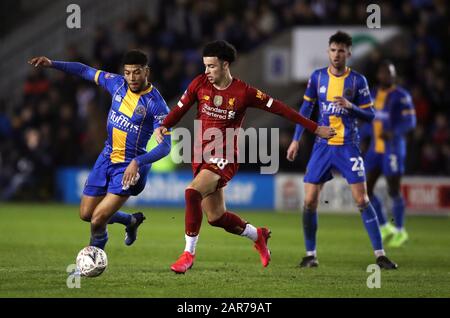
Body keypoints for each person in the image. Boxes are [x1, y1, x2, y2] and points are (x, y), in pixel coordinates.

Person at [154, 40, 336, 274]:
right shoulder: (199, 83)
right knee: (216, 217)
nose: (206, 71)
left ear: (225, 64)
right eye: (205, 66)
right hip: (200, 155)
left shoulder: (244, 92)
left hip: (224, 156)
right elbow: (180, 108)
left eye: (211, 66)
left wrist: (315, 128)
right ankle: (257, 235)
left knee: (191, 193)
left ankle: (188, 253)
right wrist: (164, 125)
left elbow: (281, 108)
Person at [28, 50, 172, 252]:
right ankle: (130, 221)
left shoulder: (156, 105)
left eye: (137, 72)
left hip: (130, 168)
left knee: (97, 220)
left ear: (146, 71)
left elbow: (166, 146)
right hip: (106, 157)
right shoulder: (116, 83)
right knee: (86, 214)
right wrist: (52, 63)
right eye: (128, 72)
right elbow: (84, 70)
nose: (131, 77)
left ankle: (93, 260)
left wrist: (137, 162)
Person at [286, 31, 398, 269]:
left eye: (341, 51)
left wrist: (351, 106)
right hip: (322, 146)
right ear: (328, 52)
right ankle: (310, 255)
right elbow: (305, 110)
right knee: (309, 201)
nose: (337, 55)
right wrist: (296, 139)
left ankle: (380, 255)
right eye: (333, 50)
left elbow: (370, 115)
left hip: (348, 147)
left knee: (362, 199)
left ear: (349, 53)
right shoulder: (317, 78)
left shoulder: (358, 81)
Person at [362, 60, 416, 247]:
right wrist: (362, 137)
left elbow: (410, 122)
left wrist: (393, 132)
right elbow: (368, 119)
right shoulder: (373, 94)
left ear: (394, 76)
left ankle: (400, 230)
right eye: (384, 73)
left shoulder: (402, 96)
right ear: (378, 75)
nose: (387, 76)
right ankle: (385, 226)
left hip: (393, 149)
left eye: (390, 73)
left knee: (394, 190)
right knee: (365, 190)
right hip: (374, 150)